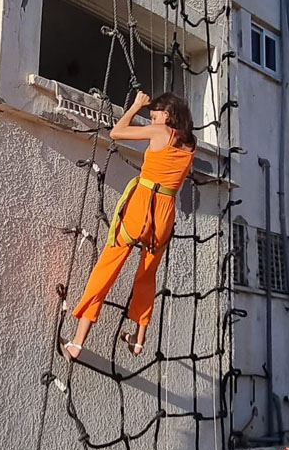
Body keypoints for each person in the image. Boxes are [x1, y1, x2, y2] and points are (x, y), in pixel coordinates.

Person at [62, 91, 195, 360]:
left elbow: (117, 133)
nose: (152, 120)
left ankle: (77, 342)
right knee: (147, 275)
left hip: (141, 206)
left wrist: (135, 106)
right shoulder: (191, 143)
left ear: (166, 115)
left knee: (107, 268)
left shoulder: (160, 131)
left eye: (154, 115)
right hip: (165, 214)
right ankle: (138, 340)